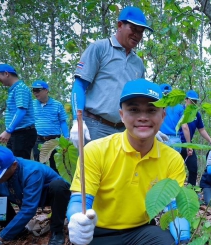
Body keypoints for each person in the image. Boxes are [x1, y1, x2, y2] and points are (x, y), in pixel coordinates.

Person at [66, 79, 186, 245]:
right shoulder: (97, 150)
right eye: (133, 110)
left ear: (162, 115)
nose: (143, 117)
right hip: (98, 233)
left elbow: (175, 208)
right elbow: (80, 200)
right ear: (122, 115)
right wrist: (75, 220)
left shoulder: (172, 159)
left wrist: (184, 241)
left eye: (151, 110)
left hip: (139, 231)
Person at [70, 6, 168, 146]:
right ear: (120, 25)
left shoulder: (138, 63)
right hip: (95, 125)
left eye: (141, 32)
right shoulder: (100, 48)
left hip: (124, 129)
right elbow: (79, 85)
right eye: (133, 29)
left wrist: (152, 125)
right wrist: (77, 120)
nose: (137, 35)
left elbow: (139, 99)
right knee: (93, 167)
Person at [0, 145, 70, 245]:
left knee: (59, 186)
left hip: (44, 196)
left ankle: (57, 231)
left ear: (14, 165)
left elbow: (29, 209)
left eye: (0, 175)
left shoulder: (32, 171)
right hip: (15, 195)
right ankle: (17, 230)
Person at [0, 64, 36, 159]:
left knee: (18, 165)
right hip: (16, 133)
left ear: (6, 74)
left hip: (23, 133)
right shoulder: (14, 89)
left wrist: (8, 130)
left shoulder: (20, 88)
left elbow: (21, 111)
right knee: (11, 163)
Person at [31, 80, 70, 171]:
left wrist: (67, 136)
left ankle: (56, 184)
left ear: (46, 90)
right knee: (39, 166)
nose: (35, 93)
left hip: (54, 141)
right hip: (38, 140)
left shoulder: (57, 105)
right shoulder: (32, 105)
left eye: (38, 90)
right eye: (33, 90)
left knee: (56, 166)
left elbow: (63, 122)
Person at [180, 90, 211, 186]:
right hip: (178, 144)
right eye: (191, 101)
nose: (193, 103)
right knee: (176, 168)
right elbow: (184, 127)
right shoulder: (180, 110)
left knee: (193, 169)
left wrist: (210, 140)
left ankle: (192, 190)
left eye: (195, 101)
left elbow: (201, 130)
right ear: (186, 100)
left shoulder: (197, 114)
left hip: (189, 145)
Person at [159, 83, 184, 152]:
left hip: (162, 139)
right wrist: (189, 144)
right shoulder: (179, 107)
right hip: (176, 141)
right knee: (175, 162)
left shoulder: (158, 107)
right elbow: (185, 127)